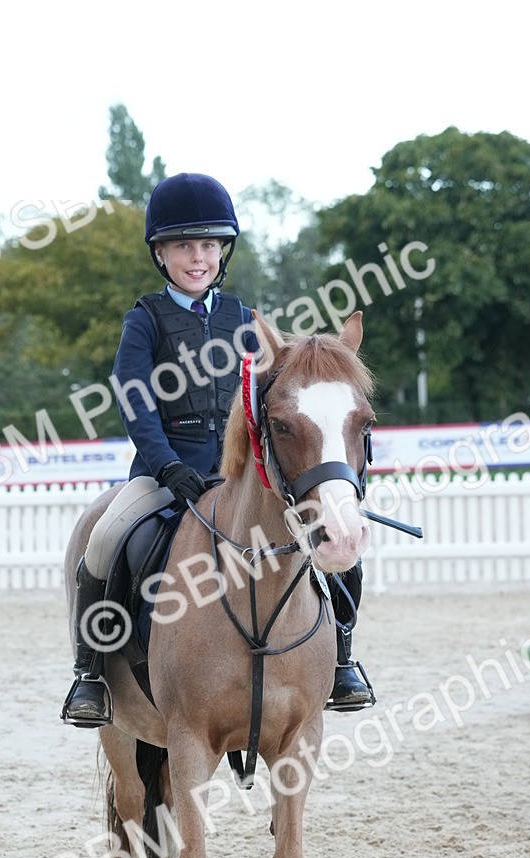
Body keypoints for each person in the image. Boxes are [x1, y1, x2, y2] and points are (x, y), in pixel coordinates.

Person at [61, 172, 374, 727]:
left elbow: (276, 395)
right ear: (161, 254)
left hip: (241, 477)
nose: (198, 257)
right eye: (184, 246)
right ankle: (91, 674)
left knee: (331, 538)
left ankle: (342, 660)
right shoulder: (144, 321)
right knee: (106, 540)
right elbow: (135, 404)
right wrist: (167, 466)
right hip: (164, 473)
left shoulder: (243, 319)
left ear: (222, 252)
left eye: (208, 245)